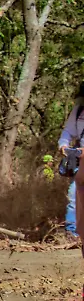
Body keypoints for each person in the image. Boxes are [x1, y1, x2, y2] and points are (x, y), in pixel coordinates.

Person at [58, 82, 84, 238]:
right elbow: (68, 131)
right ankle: (72, 231)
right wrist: (64, 146)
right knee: (74, 194)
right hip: (80, 161)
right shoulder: (79, 110)